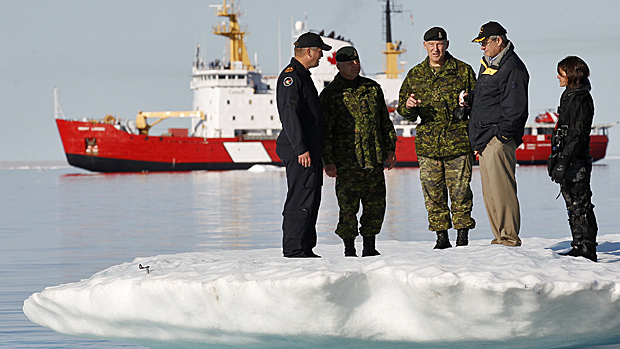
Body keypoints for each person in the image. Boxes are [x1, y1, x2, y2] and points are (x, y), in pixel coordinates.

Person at [397, 27, 477, 249]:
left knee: (461, 192)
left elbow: (478, 105)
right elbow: (404, 110)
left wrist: (468, 102)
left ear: (447, 45)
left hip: (458, 142)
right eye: (431, 44)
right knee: (433, 194)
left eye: (440, 44)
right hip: (428, 145)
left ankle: (463, 237)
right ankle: (441, 238)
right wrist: (409, 107)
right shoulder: (415, 75)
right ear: (424, 46)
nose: (436, 48)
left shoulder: (463, 71)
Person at [320, 46, 397, 257]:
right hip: (347, 163)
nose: (355, 65)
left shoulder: (372, 89)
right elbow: (325, 131)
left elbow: (384, 121)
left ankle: (370, 248)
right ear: (339, 65)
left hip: (373, 159)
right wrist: (328, 161)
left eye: (357, 61)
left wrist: (391, 149)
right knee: (348, 209)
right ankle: (349, 250)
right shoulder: (330, 94)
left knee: (375, 206)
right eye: (350, 62)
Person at [466, 21, 529, 247]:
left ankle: (509, 238)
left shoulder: (512, 67)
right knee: (491, 193)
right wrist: (470, 99)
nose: (482, 47)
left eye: (484, 42)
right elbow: (489, 98)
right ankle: (499, 238)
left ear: (498, 41)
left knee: (503, 191)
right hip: (484, 139)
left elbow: (515, 107)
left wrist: (502, 136)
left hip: (497, 139)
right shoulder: (489, 65)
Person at [276, 32, 331, 258]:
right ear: (309, 51)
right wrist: (301, 149)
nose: (322, 56)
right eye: (320, 51)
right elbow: (289, 114)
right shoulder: (291, 77)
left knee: (311, 197)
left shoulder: (303, 75)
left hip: (310, 149)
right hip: (301, 150)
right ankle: (293, 248)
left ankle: (306, 247)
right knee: (300, 197)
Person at [548, 56, 598, 262]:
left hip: (576, 160)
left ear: (570, 74)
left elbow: (577, 135)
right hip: (566, 156)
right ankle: (578, 244)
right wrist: (556, 157)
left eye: (561, 73)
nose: (557, 76)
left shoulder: (581, 98)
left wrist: (564, 161)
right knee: (571, 203)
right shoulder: (569, 95)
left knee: (581, 203)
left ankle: (587, 247)